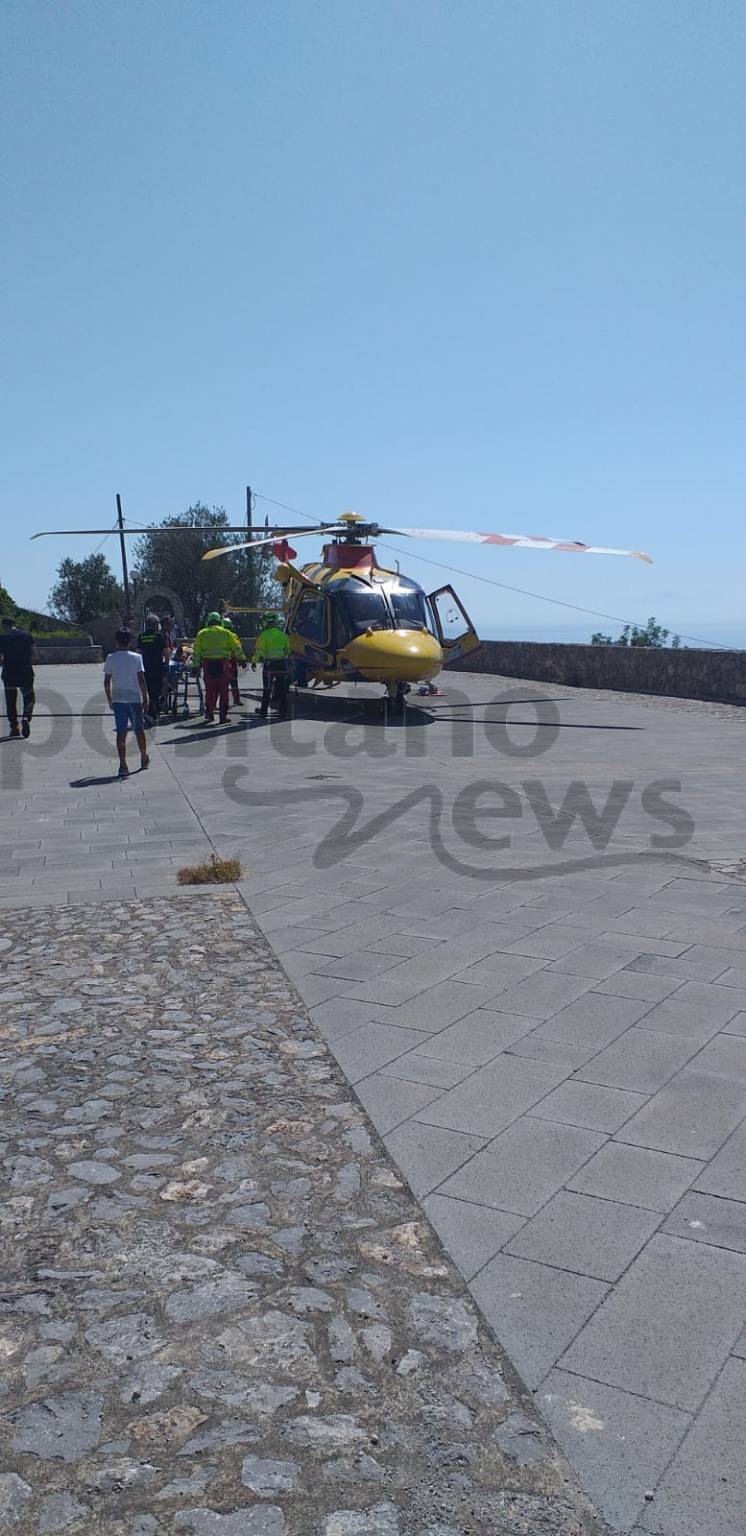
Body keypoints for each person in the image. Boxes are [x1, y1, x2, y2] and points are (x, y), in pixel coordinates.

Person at [104, 630, 150, 779]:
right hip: (134, 699)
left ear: (116, 642)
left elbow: (106, 682)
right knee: (139, 730)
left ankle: (123, 764)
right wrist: (145, 697)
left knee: (121, 733)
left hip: (118, 700)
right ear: (130, 642)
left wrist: (110, 699)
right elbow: (141, 679)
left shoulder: (111, 658)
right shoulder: (137, 658)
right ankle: (143, 756)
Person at [191, 611, 246, 724]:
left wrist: (195, 666)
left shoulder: (202, 633)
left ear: (208, 621)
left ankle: (209, 715)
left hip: (208, 665)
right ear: (219, 621)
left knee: (210, 691)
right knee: (223, 692)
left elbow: (196, 652)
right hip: (223, 664)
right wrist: (242, 659)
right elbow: (236, 647)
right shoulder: (226, 633)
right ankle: (222, 717)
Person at [0, 617, 35, 739]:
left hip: (9, 674)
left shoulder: (2, 638)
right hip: (25, 672)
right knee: (29, 698)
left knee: (10, 701)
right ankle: (26, 717)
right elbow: (33, 653)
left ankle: (14, 728)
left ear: (4, 626)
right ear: (15, 624)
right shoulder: (27, 636)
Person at [252, 613, 292, 719]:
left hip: (269, 665)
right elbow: (288, 651)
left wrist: (254, 661)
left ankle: (263, 712)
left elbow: (259, 650)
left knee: (267, 689)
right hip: (281, 664)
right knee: (282, 689)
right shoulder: (283, 635)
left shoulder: (264, 635)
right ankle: (283, 712)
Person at [137, 613, 169, 720]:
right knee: (157, 690)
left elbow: (139, 652)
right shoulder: (158, 636)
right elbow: (165, 652)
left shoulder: (141, 637)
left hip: (145, 667)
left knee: (149, 690)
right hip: (157, 667)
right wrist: (167, 663)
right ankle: (152, 713)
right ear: (156, 625)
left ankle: (152, 711)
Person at [221, 616, 242, 707]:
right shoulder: (233, 635)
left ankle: (216, 703)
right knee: (234, 682)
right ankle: (236, 700)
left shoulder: (218, 635)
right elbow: (238, 648)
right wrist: (241, 659)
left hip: (221, 661)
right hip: (231, 661)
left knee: (220, 683)